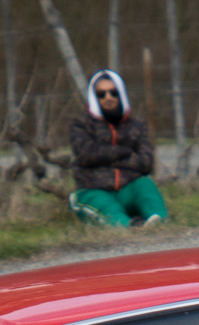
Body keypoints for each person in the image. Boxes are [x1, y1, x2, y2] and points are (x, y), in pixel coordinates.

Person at [68, 70, 167, 229]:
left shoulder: (138, 126)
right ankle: (128, 227)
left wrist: (105, 155)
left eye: (113, 92)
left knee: (145, 185)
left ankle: (158, 221)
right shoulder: (80, 125)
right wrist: (126, 152)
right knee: (110, 210)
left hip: (128, 188)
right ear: (94, 98)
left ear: (121, 94)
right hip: (93, 190)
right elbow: (87, 155)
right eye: (101, 94)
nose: (108, 97)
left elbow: (146, 163)